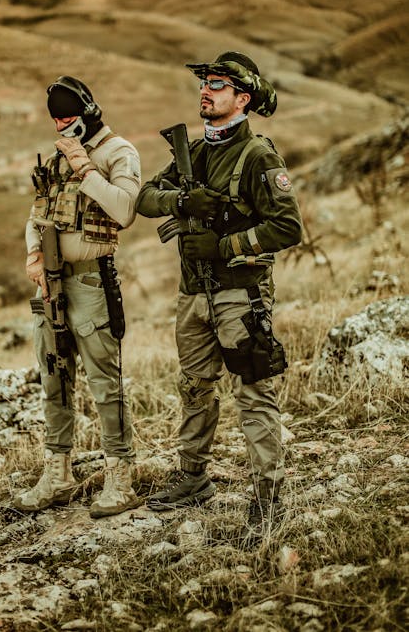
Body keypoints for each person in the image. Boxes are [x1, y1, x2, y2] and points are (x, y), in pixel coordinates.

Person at [135, 51, 302, 544]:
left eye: (218, 84)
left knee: (253, 392)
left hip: (240, 295)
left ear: (242, 98)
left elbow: (288, 226)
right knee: (194, 388)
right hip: (192, 294)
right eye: (204, 83)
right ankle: (192, 478)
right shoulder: (196, 152)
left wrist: (226, 244)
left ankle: (268, 496)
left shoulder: (258, 156)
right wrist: (182, 201)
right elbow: (146, 197)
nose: (205, 91)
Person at [14, 75, 141, 518]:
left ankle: (120, 475)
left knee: (104, 383)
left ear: (87, 114)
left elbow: (125, 210)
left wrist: (85, 167)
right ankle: (58, 473)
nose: (61, 127)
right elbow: (37, 215)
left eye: (68, 117)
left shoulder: (118, 152)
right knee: (53, 375)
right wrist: (33, 255)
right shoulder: (55, 158)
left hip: (90, 284)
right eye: (55, 120)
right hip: (50, 283)